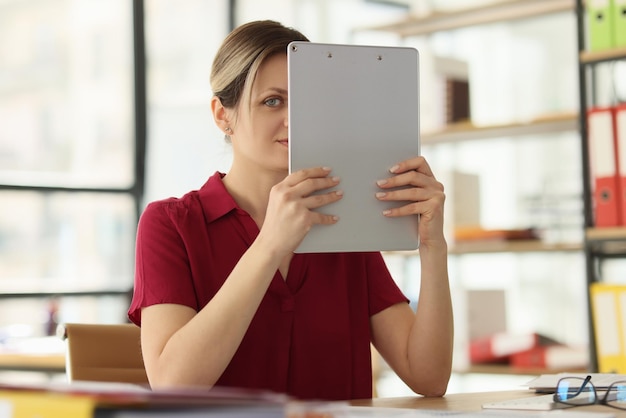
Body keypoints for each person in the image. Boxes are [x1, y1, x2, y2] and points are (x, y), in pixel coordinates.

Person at [128, 20, 453, 401]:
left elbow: (428, 377)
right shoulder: (171, 225)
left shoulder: (345, 219)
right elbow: (173, 383)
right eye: (272, 101)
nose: (294, 119)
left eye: (307, 102)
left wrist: (433, 246)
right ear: (222, 115)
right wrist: (269, 246)